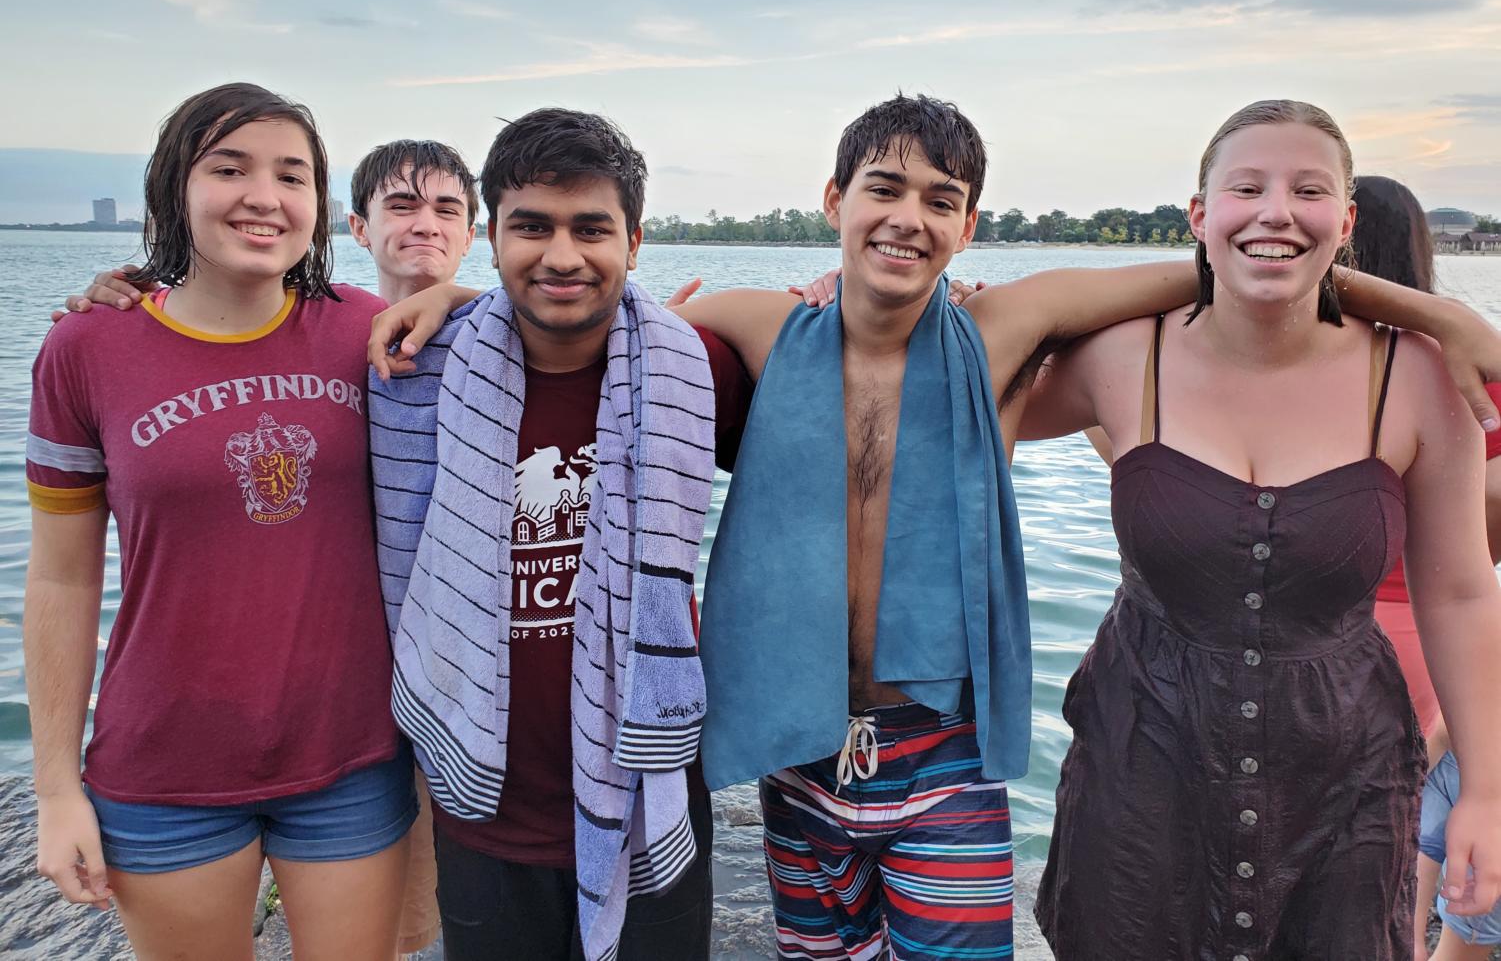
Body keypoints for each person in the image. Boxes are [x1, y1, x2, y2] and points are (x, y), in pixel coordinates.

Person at [375, 93, 1501, 959]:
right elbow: (588, 305)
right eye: (883, 187)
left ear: (970, 224)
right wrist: (456, 300)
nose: (906, 216)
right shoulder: (760, 324)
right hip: (798, 738)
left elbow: (1241, 267)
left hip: (943, 743)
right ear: (833, 201)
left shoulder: (1007, 327)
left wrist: (1428, 309)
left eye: (939, 198)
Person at [1021, 101, 1501, 959]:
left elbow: (1461, 594)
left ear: (1344, 221)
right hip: (1138, 773)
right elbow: (960, 373)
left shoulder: (1418, 377)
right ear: (1198, 215)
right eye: (1246, 188)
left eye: (1307, 191)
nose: (1276, 210)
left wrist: (1487, 796)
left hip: (1345, 789)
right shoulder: (1124, 356)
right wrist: (831, 303)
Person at [59, 135, 487, 958]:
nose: (262, 195)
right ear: (356, 225)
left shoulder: (441, 330)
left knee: (416, 934)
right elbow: (63, 575)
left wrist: (465, 297)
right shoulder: (95, 345)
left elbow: (573, 320)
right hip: (202, 747)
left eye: (290, 176)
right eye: (227, 170)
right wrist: (55, 787)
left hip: (393, 730)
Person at [368, 108, 752, 961]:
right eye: (531, 226)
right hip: (483, 801)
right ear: (492, 235)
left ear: (635, 241)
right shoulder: (416, 370)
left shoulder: (696, 372)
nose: (562, 256)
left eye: (592, 228)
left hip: (649, 786)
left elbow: (851, 372)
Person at [1350, 175, 1501, 961]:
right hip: (1442, 657)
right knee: (1398, 896)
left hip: (1324, 645)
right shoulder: (1466, 372)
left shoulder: (1309, 374)